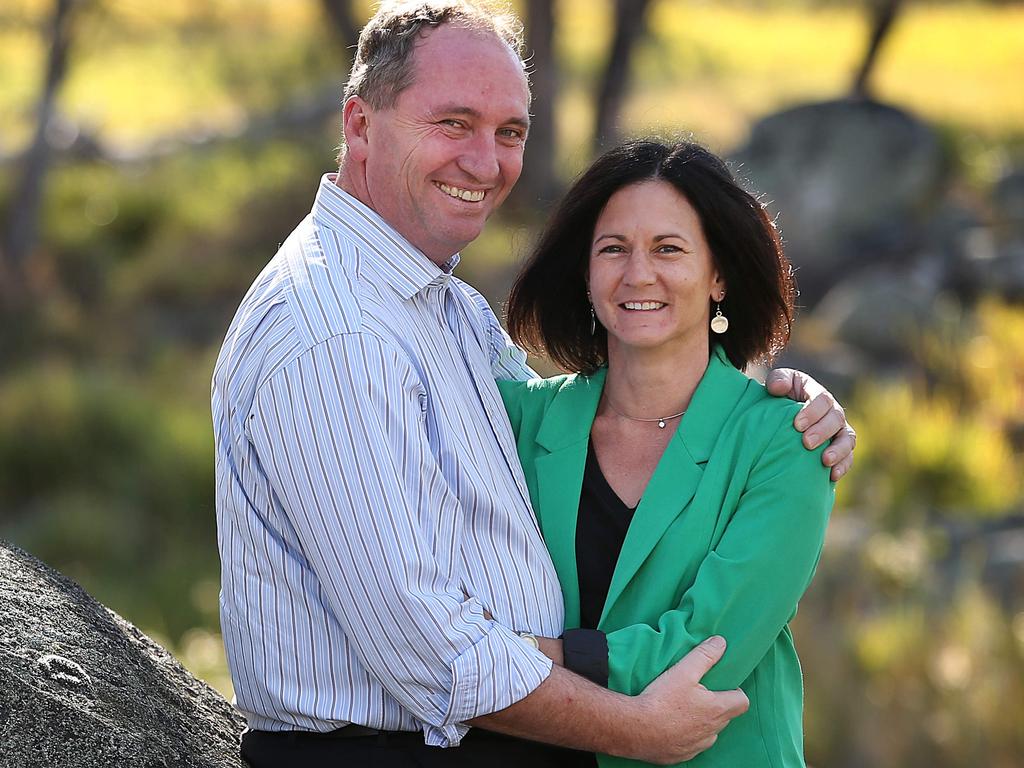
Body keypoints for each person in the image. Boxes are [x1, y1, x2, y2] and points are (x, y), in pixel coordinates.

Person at [211, 2, 854, 766]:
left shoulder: (442, 308)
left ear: (720, 275)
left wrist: (785, 396)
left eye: (509, 132)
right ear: (359, 124)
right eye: (453, 123)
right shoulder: (339, 332)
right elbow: (425, 644)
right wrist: (635, 729)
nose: (486, 163)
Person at [498, 139, 836, 768]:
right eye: (613, 250)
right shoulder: (516, 419)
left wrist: (512, 661)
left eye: (668, 249)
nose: (638, 274)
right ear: (586, 273)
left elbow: (708, 649)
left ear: (719, 275)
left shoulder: (788, 444)